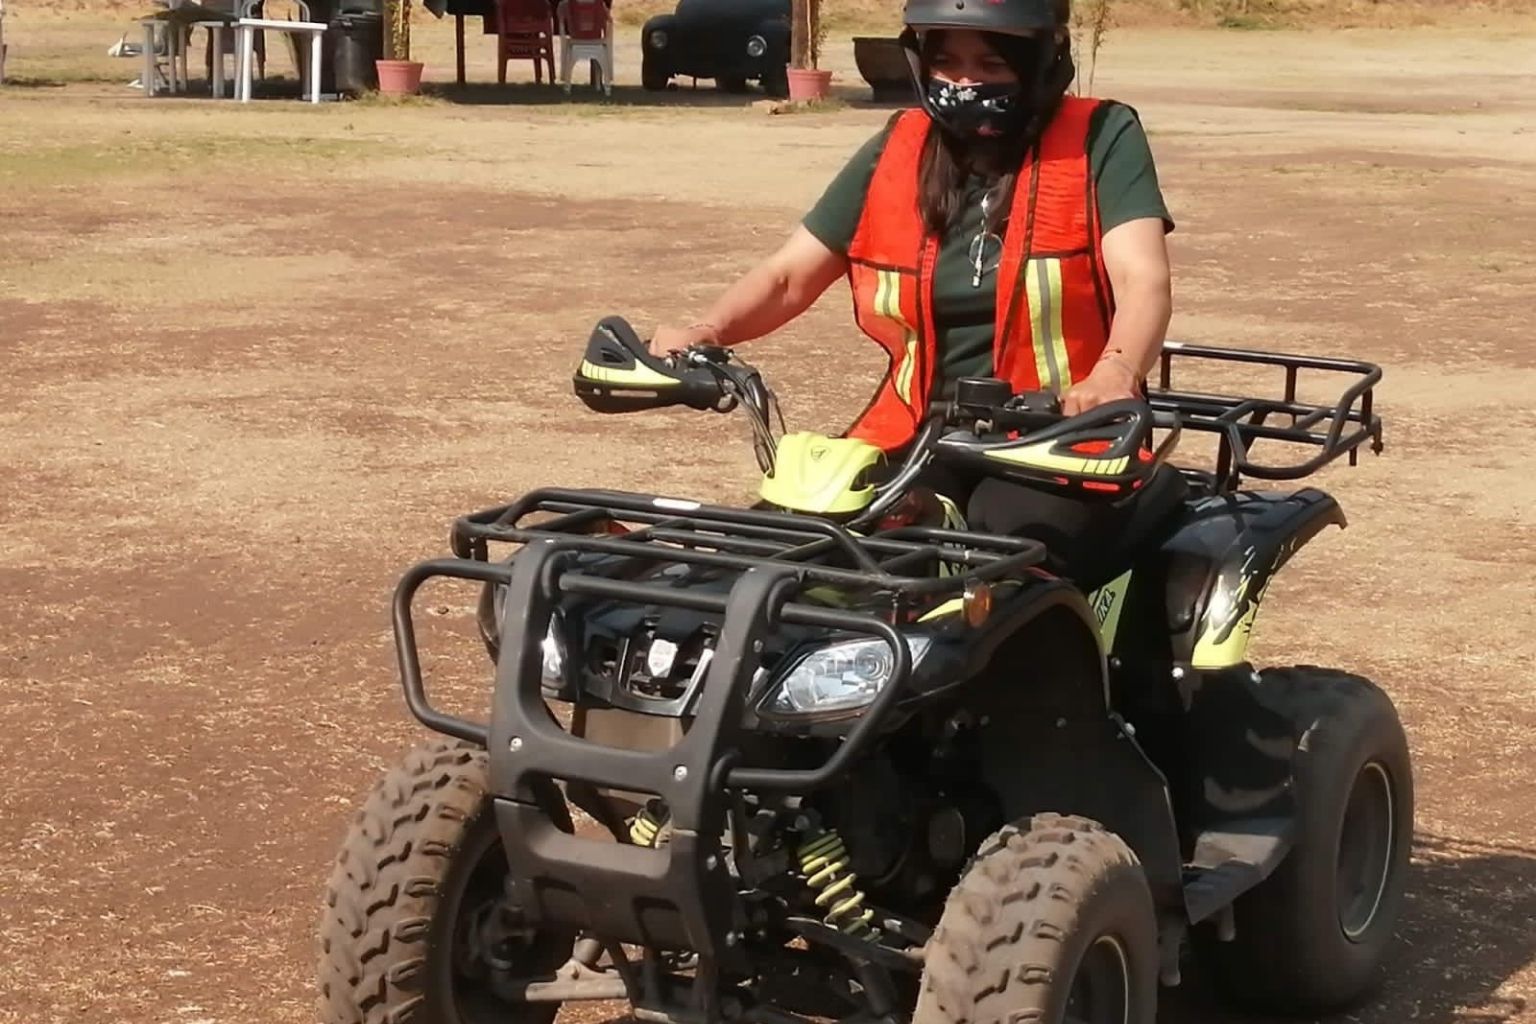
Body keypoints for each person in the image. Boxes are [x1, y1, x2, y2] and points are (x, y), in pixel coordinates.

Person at [650, 0, 1179, 580]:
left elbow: (1142, 278)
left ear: (1041, 62)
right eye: (946, 61)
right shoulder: (899, 147)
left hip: (1061, 444)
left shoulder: (1100, 136)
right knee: (790, 544)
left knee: (1003, 556)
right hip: (917, 434)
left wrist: (1115, 372)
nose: (964, 81)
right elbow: (789, 276)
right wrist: (708, 330)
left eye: (991, 64)